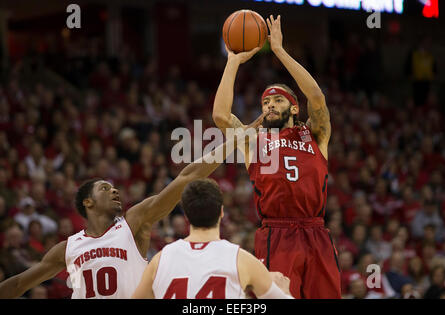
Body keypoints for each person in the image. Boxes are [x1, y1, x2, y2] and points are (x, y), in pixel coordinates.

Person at [0, 115, 264, 299]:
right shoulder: (67, 248)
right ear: (87, 202)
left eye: (114, 187)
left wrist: (232, 144)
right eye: (104, 188)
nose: (114, 190)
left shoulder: (134, 222)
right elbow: (21, 283)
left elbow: (186, 177)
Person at [212, 15, 339, 298]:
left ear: (294, 109)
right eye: (265, 101)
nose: (269, 105)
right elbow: (220, 116)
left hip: (316, 232)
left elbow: (316, 97)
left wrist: (280, 52)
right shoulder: (254, 141)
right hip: (277, 235)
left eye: (278, 100)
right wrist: (233, 61)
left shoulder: (316, 134)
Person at [132, 179, 293, 299]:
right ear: (222, 212)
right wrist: (284, 290)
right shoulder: (241, 259)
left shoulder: (160, 259)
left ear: (186, 215)